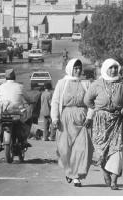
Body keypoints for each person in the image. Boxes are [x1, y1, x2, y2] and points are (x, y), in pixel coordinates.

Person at [84, 58, 123, 190]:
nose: (114, 70)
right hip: (101, 122)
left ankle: (114, 180)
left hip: (119, 120)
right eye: (111, 68)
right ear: (105, 69)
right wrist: (99, 110)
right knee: (102, 152)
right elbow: (87, 100)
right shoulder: (96, 84)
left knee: (119, 150)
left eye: (115, 67)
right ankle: (105, 172)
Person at [51, 58, 93, 187]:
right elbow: (56, 101)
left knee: (81, 149)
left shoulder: (86, 83)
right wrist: (55, 118)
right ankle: (69, 171)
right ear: (70, 68)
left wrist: (89, 117)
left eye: (80, 68)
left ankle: (76, 176)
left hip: (82, 119)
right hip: (65, 119)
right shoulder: (61, 83)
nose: (78, 70)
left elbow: (92, 102)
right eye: (75, 68)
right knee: (65, 149)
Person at [0, 69, 33, 151]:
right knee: (29, 119)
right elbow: (27, 98)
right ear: (15, 77)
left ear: (6, 78)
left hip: (3, 113)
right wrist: (30, 102)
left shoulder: (1, 87)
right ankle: (24, 140)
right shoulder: (20, 86)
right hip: (16, 113)